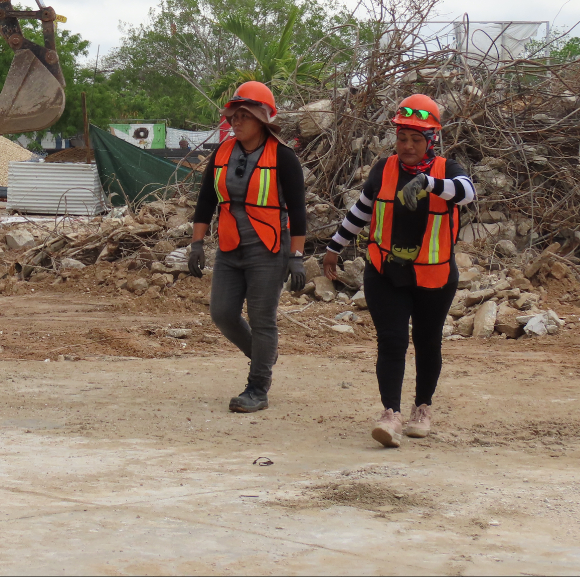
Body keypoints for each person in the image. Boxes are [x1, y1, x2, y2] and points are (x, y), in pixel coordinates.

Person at [324, 93, 475, 448]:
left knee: (426, 341)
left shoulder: (447, 170)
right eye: (402, 138)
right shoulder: (384, 168)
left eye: (416, 139)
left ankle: (422, 408)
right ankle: (390, 414)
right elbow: (361, 211)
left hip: (434, 276)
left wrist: (429, 184)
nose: (407, 146)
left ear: (431, 141)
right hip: (386, 270)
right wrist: (334, 247)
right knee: (391, 340)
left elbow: (467, 193)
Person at [191, 81, 308, 413]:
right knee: (223, 314)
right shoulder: (222, 153)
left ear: (262, 119)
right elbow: (205, 201)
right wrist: (196, 244)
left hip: (268, 248)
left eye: (244, 116)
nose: (235, 122)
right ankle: (263, 355)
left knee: (262, 319)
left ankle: (257, 387)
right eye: (234, 116)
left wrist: (296, 257)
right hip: (230, 246)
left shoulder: (283, 157)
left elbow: (298, 212)